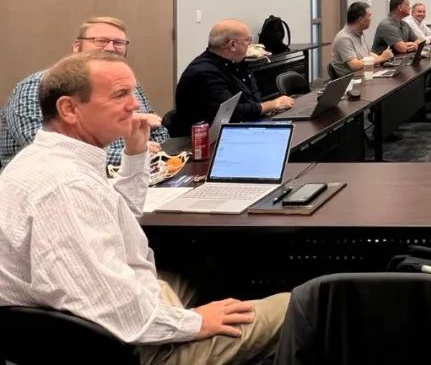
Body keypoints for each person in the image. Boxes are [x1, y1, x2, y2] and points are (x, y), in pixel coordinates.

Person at [0, 51, 290, 363]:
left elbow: (115, 217)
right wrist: (195, 322)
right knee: (300, 306)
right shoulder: (65, 186)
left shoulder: (49, 160)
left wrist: (135, 154)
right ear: (69, 109)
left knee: (202, 267)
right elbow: (115, 308)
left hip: (96, 326)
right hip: (127, 349)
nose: (135, 104)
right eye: (120, 94)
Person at [0, 16, 169, 166]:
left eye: (118, 42)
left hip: (130, 175)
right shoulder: (39, 86)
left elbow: (155, 128)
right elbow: (40, 147)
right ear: (77, 46)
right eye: (100, 41)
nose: (111, 48)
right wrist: (132, 154)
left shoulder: (127, 84)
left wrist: (154, 153)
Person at [173, 20, 294, 136]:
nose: (249, 45)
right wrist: (273, 104)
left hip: (239, 129)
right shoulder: (204, 72)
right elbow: (231, 112)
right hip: (204, 142)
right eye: (247, 40)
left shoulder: (236, 64)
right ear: (232, 45)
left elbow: (254, 98)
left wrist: (265, 109)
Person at [329, 2, 392, 77]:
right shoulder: (344, 38)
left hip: (364, 75)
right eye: (369, 16)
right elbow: (354, 65)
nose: (371, 19)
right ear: (361, 19)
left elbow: (368, 54)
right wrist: (381, 58)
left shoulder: (360, 34)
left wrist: (384, 58)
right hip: (352, 80)